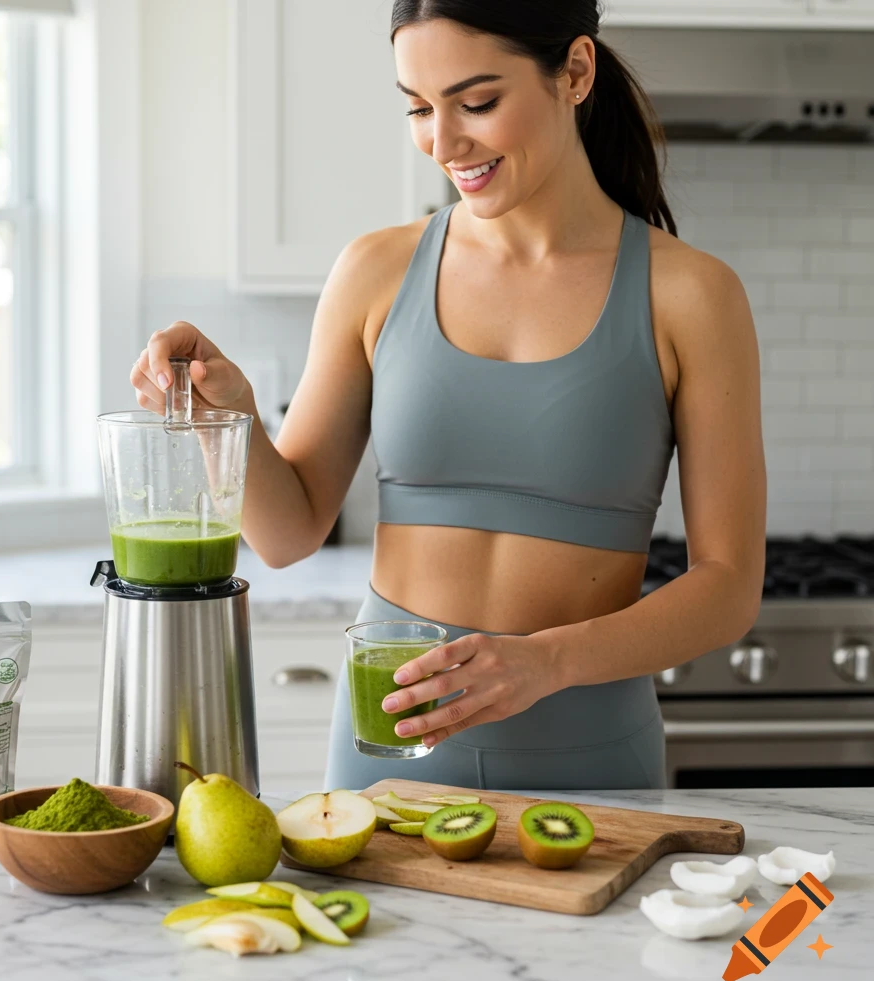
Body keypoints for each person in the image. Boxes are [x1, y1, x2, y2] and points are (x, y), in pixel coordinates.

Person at [131, 0, 766, 791]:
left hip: (592, 760)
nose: (443, 141)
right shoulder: (375, 270)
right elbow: (288, 533)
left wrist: (543, 661)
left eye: (477, 102)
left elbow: (729, 587)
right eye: (418, 108)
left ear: (575, 72)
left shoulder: (691, 294)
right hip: (384, 752)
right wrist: (230, 418)